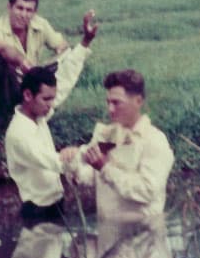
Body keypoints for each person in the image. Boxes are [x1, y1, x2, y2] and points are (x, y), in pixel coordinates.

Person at [3, 14, 96, 225]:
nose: (51, 104)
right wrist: (85, 152)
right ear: (28, 96)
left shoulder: (38, 115)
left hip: (55, 205)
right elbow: (54, 162)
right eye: (46, 99)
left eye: (51, 99)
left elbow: (64, 81)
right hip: (37, 212)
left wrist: (85, 42)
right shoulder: (19, 135)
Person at [64, 69, 175, 225]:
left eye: (116, 102)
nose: (110, 109)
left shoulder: (155, 141)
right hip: (107, 232)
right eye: (108, 102)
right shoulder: (107, 135)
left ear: (138, 101)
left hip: (144, 235)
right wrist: (72, 164)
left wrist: (104, 168)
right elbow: (91, 179)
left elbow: (147, 191)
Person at [0, 0, 96, 132]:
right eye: (19, 8)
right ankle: (5, 118)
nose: (23, 14)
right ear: (9, 7)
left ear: (34, 13)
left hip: (28, 87)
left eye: (29, 10)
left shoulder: (40, 24)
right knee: (0, 63)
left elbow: (61, 47)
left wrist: (61, 57)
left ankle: (35, 111)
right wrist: (23, 62)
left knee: (67, 61)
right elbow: (5, 49)